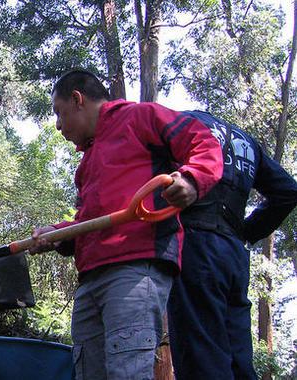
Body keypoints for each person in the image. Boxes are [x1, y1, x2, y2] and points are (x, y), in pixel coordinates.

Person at [29, 70, 224, 379]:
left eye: (58, 112)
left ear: (77, 99)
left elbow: (203, 141)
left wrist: (192, 178)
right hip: (90, 279)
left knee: (127, 372)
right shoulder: (86, 165)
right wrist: (60, 234)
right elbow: (87, 222)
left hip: (135, 270)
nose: (57, 125)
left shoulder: (139, 117)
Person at [167, 110, 297, 379]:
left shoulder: (180, 124)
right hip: (234, 255)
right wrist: (246, 232)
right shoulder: (247, 142)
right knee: (238, 354)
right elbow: (288, 191)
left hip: (194, 246)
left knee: (200, 355)